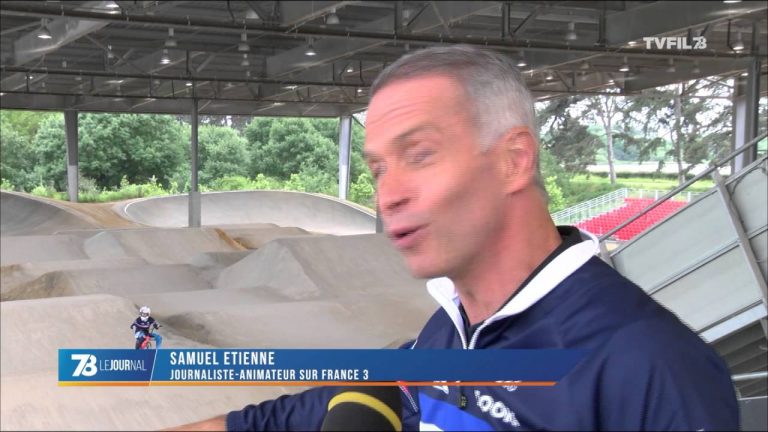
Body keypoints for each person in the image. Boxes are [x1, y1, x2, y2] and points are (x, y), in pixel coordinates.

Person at [168, 45, 738, 431]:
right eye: (378, 169)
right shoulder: (446, 332)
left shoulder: (650, 366)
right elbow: (293, 417)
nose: (387, 194)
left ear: (514, 160)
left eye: (419, 155)